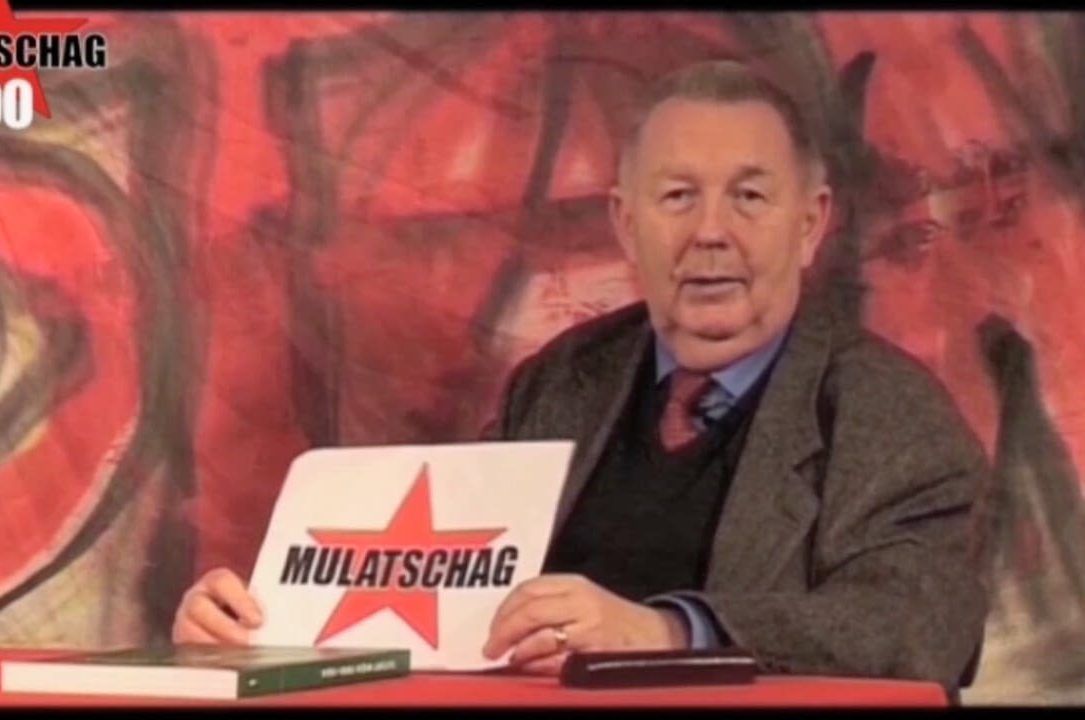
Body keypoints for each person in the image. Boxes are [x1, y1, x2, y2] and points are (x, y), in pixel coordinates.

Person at [172, 59, 992, 693]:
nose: (711, 232)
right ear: (626, 224)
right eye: (678, 197)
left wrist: (667, 633)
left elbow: (915, 629)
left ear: (810, 225)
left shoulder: (891, 414)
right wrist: (257, 630)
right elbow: (440, 594)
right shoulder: (560, 380)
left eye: (749, 197)